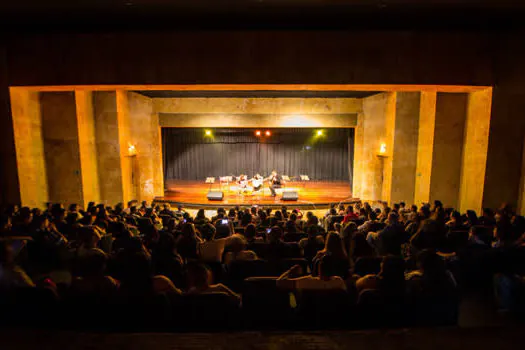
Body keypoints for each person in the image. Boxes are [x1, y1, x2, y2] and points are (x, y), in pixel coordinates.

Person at [276, 255, 347, 291]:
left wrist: (291, 271)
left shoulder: (308, 281)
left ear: (318, 267)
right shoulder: (338, 282)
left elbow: (279, 282)